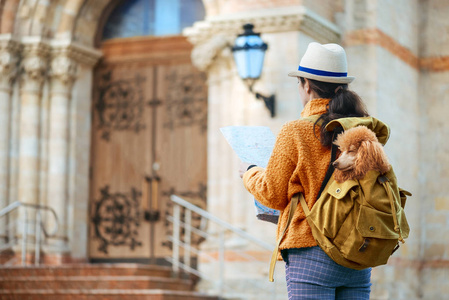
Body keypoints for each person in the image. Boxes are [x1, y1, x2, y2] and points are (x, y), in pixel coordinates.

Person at [239, 42, 372, 299]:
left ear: (306, 85)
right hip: (357, 253)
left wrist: (250, 172)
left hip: (311, 251)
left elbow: (272, 192)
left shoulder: (296, 131)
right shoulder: (364, 131)